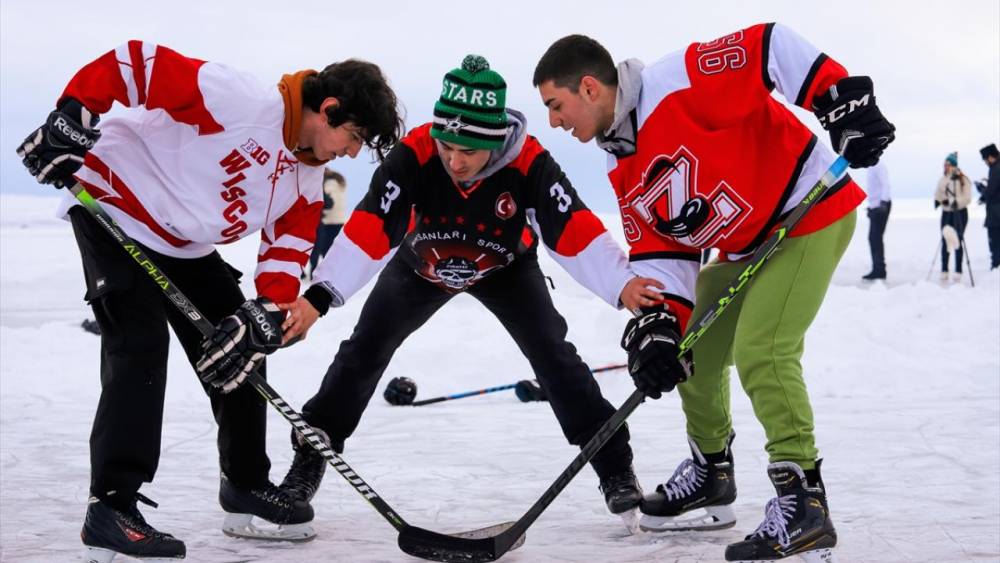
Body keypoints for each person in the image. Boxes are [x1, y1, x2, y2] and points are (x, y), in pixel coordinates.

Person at [15, 41, 403, 561]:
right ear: (329, 109)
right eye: (353, 136)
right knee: (139, 344)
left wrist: (265, 311)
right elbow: (135, 63)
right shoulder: (240, 100)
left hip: (186, 244)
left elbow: (285, 253)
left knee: (241, 349)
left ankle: (244, 483)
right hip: (116, 207)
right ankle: (111, 506)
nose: (353, 152)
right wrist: (73, 114)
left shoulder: (307, 178)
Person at [533, 22, 894, 562]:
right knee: (689, 350)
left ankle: (805, 502)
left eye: (555, 105)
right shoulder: (619, 160)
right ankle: (712, 473)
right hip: (748, 245)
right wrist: (659, 328)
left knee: (762, 350)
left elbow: (770, 47)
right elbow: (665, 253)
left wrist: (835, 98)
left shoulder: (677, 81)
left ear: (589, 88)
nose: (553, 121)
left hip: (809, 214)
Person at [270, 55, 666, 523]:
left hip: (505, 268)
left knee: (553, 356)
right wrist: (318, 297)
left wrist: (622, 284)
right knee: (364, 349)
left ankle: (615, 468)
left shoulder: (529, 162)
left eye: (469, 152)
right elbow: (370, 227)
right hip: (421, 266)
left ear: (495, 142)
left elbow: (573, 231)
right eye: (447, 147)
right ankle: (309, 459)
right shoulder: (415, 154)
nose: (454, 161)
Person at [934, 152, 972, 282]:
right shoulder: (943, 179)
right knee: (945, 240)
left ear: (953, 165)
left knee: (957, 240)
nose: (945, 167)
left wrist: (955, 202)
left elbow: (967, 198)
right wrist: (939, 201)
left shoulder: (963, 179)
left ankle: (958, 271)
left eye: (947, 164)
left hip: (960, 213)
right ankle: (944, 270)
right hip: (946, 213)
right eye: (944, 164)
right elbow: (938, 194)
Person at [305, 169, 348, 279]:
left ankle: (317, 272)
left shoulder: (328, 184)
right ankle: (332, 272)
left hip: (328, 220)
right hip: (340, 220)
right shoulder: (340, 182)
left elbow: (328, 202)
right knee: (331, 249)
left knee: (321, 248)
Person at [862, 161, 892, 280]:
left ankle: (879, 270)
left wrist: (883, 203)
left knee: (875, 238)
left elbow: (886, 184)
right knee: (873, 238)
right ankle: (878, 269)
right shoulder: (870, 166)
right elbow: (874, 190)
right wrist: (871, 207)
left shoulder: (879, 165)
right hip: (875, 206)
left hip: (881, 206)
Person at [980, 143, 1000, 269]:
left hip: (996, 216)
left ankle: (996, 270)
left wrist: (982, 189)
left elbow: (991, 192)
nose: (985, 162)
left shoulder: (996, 168)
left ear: (990, 157)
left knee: (995, 245)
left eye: (985, 160)